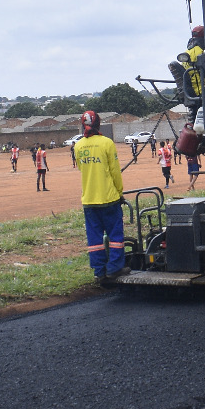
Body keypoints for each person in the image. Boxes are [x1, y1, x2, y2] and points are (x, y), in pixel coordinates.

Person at [73, 111, 126, 285]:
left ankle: (99, 272)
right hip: (109, 198)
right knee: (115, 235)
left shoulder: (78, 146)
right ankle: (114, 268)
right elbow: (115, 172)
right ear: (98, 124)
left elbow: (82, 169)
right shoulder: (107, 143)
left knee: (94, 238)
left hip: (89, 200)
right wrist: (119, 192)